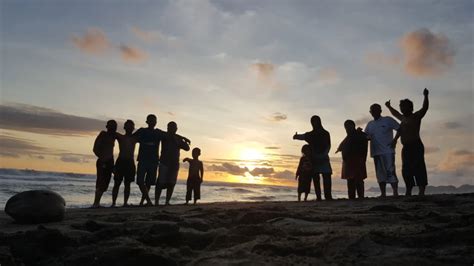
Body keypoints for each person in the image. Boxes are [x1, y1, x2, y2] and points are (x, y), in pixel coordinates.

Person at [386, 88, 429, 196]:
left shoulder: (416, 116)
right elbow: (395, 113)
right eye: (401, 107)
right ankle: (408, 190)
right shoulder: (402, 119)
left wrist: (425, 96)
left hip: (416, 145)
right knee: (406, 170)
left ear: (409, 107)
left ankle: (421, 191)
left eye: (403, 106)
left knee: (419, 167)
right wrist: (389, 106)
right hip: (406, 147)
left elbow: (425, 108)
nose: (401, 109)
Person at [293, 115, 333, 200]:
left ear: (319, 122)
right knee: (316, 178)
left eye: (315, 121)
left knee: (326, 176)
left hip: (323, 158)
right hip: (314, 158)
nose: (314, 123)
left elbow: (328, 145)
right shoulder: (310, 134)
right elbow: (303, 136)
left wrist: (324, 154)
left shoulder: (326, 133)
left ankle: (328, 196)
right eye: (313, 122)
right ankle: (318, 197)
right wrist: (296, 136)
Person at [364, 104, 400, 197]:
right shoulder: (370, 124)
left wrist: (395, 140)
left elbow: (399, 128)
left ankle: (395, 192)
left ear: (380, 111)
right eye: (372, 110)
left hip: (388, 151)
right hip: (376, 152)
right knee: (380, 174)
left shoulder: (387, 120)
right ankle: (383, 193)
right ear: (370, 112)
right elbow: (366, 136)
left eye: (376, 110)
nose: (374, 112)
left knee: (390, 171)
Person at [155, 121, 190, 205]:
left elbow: (187, 148)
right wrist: (183, 137)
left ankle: (167, 201)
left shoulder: (177, 139)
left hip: (174, 164)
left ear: (176, 129)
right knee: (160, 183)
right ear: (167, 128)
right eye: (170, 127)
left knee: (171, 183)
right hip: (164, 162)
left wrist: (182, 139)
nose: (172, 129)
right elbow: (157, 131)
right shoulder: (164, 135)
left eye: (174, 127)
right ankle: (156, 201)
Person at [336, 120, 368, 199]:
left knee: (358, 179)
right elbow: (341, 147)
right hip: (348, 160)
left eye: (349, 126)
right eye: (346, 127)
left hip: (358, 159)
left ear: (353, 126)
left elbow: (365, 145)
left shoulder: (360, 134)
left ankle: (361, 197)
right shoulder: (348, 137)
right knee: (350, 180)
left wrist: (363, 159)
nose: (347, 128)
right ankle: (352, 197)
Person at [134, 114, 160, 206]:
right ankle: (148, 200)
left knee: (148, 182)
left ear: (156, 122)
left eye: (154, 120)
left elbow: (170, 134)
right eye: (151, 120)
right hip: (143, 159)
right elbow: (132, 138)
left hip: (153, 161)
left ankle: (143, 202)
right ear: (147, 121)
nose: (152, 122)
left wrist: (183, 138)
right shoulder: (142, 131)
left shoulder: (158, 132)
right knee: (140, 181)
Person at [111, 120, 137, 207]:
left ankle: (125, 203)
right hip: (121, 161)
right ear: (124, 127)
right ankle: (113, 203)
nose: (129, 128)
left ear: (133, 128)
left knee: (127, 184)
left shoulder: (135, 138)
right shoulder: (120, 137)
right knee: (117, 183)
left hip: (129, 162)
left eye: (131, 126)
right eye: (127, 126)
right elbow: (111, 132)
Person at [92, 120, 117, 208]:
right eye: (111, 126)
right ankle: (96, 203)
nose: (113, 128)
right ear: (107, 126)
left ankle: (97, 203)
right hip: (103, 161)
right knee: (101, 181)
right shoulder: (103, 134)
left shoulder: (114, 135)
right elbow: (95, 148)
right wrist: (102, 158)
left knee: (106, 182)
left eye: (115, 126)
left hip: (110, 161)